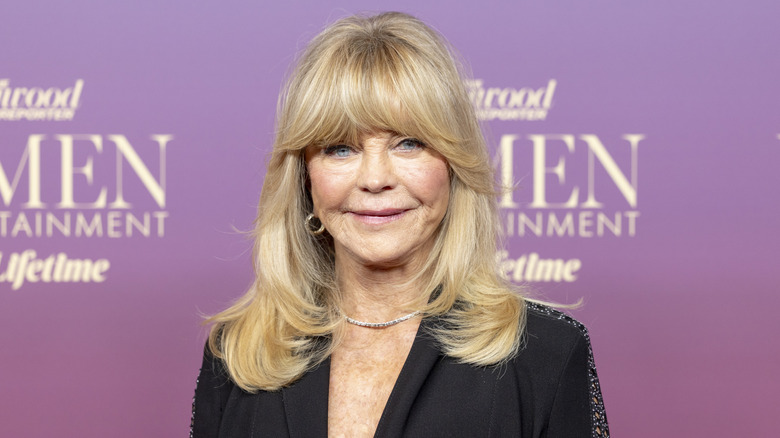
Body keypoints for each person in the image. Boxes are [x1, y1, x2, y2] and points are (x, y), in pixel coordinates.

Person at [191, 11, 609, 438]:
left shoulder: (546, 354)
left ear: (453, 165)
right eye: (339, 148)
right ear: (304, 177)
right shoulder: (239, 354)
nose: (375, 179)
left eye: (408, 143)